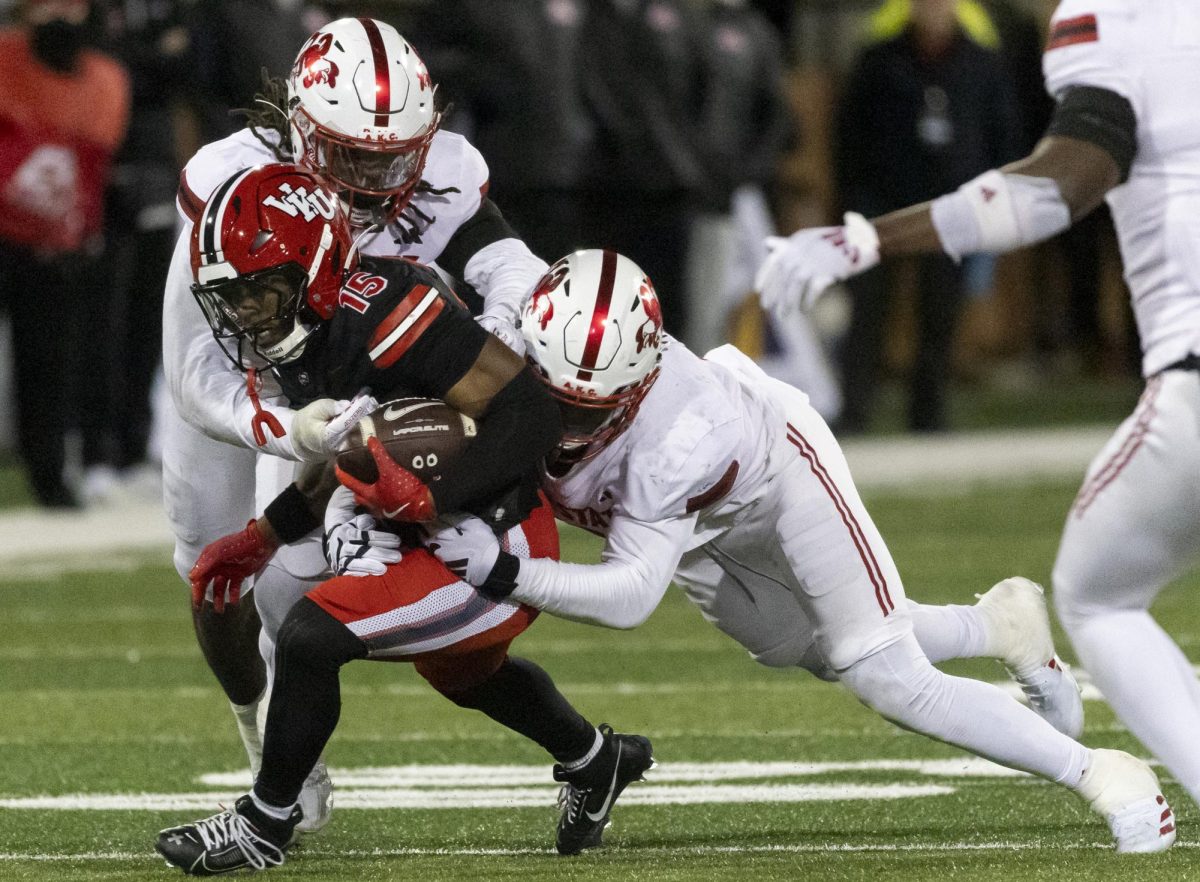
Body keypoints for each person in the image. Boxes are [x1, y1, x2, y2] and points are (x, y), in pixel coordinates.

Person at [425, 248, 1176, 853]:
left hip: (778, 475)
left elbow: (629, 597)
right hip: (697, 522)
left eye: (581, 408)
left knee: (883, 673)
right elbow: (485, 252)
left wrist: (507, 572)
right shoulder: (520, 334)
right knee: (801, 649)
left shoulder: (675, 434)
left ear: (634, 384)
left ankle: (1103, 774)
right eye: (548, 394)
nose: (556, 421)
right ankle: (994, 628)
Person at [753, 0, 1200, 809]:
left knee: (1098, 598)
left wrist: (868, 240)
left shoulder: (1116, 21)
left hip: (1193, 376)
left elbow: (1061, 185)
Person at [154, 165, 652, 874]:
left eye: (258, 294)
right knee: (465, 674)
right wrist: (263, 536)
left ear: (314, 269)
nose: (246, 317)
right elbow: (353, 453)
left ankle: (263, 824)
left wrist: (438, 494)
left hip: (494, 534)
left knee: (309, 635)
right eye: (229, 300)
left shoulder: (389, 316)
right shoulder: (308, 333)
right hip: (429, 526)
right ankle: (595, 760)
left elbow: (531, 414)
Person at [161, 17, 550, 831]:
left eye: (393, 153)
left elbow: (505, 259)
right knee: (206, 556)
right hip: (250, 370)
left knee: (285, 578)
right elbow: (195, 370)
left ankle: (286, 780)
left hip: (344, 369)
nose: (377, 175)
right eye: (353, 155)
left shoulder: (438, 169)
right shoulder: (230, 178)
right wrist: (288, 429)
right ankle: (254, 724)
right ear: (301, 131)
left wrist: (510, 327)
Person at [832, 0, 1020, 433]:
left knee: (940, 313)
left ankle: (928, 412)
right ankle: (855, 409)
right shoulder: (880, 59)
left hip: (951, 208)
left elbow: (1001, 132)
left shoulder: (981, 61)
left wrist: (992, 199)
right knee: (869, 312)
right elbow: (850, 132)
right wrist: (852, 198)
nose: (933, 11)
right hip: (884, 205)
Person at [0, 0, 129, 507]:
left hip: (52, 243)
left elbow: (92, 154)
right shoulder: (7, 57)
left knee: (49, 367)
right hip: (17, 232)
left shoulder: (104, 79)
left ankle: (51, 476)